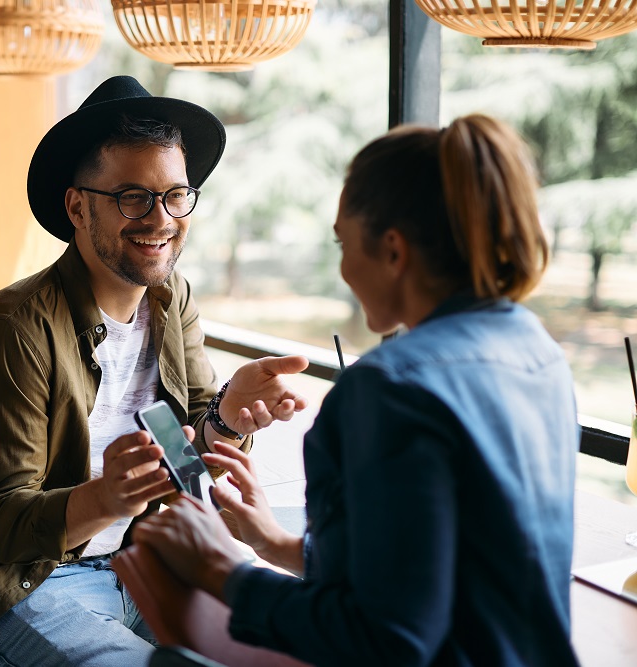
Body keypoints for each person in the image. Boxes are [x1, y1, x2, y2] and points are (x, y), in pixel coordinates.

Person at [135, 114, 580, 666]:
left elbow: (387, 641)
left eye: (344, 243)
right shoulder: (537, 350)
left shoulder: (390, 389)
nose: (343, 267)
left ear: (393, 252)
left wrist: (222, 571)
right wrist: (278, 545)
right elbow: (436, 573)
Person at [0, 75, 309, 667]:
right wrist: (109, 497)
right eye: (132, 197)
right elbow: (1, 528)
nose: (161, 218)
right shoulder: (12, 332)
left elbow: (188, 456)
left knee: (298, 644)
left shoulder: (172, 299)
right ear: (76, 205)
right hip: (25, 587)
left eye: (175, 194)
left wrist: (226, 414)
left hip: (141, 558)